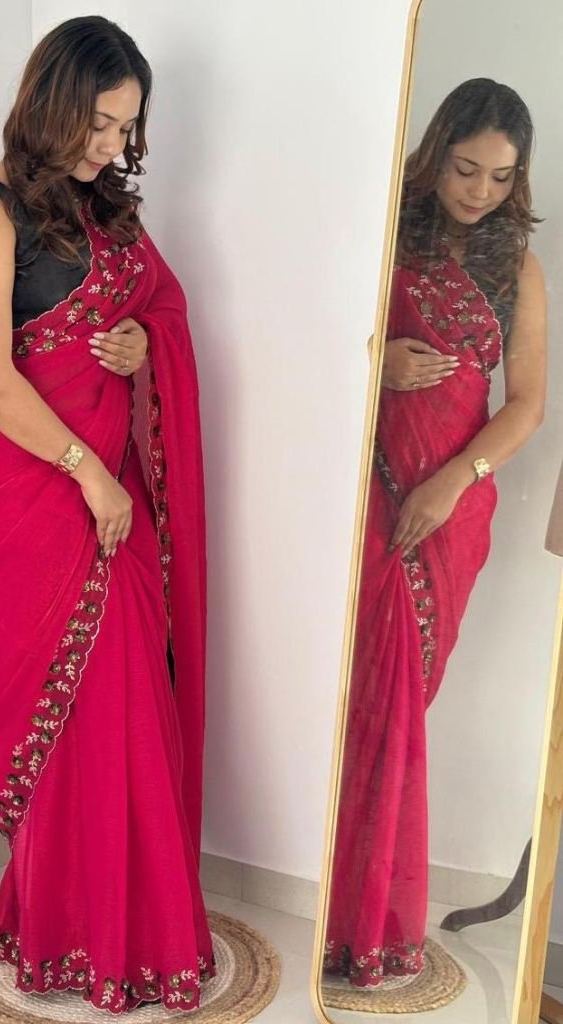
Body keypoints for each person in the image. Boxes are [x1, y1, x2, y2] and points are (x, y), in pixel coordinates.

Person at [0, 16, 215, 1014]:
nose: (111, 143)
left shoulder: (113, 212)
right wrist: (89, 476)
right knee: (60, 720)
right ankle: (62, 931)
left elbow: (161, 311)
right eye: (98, 122)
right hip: (28, 493)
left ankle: (133, 934)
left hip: (109, 486)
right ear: (52, 101)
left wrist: (143, 339)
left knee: (127, 706)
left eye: (125, 127)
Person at [324, 78, 547, 988]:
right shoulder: (382, 231)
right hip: (366, 494)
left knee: (401, 707)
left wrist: (454, 482)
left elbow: (526, 405)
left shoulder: (516, 269)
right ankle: (336, 914)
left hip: (448, 512)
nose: (480, 191)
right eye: (464, 168)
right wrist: (376, 362)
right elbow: (318, 341)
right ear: (435, 152)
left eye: (500, 176)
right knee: (355, 701)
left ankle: (370, 921)